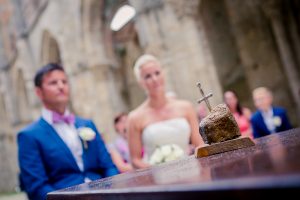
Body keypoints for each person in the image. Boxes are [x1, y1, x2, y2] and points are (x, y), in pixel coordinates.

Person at [17, 63, 118, 200]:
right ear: (39, 92)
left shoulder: (88, 124)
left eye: (64, 81)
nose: (61, 86)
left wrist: (112, 192)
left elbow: (108, 166)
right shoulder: (29, 136)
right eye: (53, 83)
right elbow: (37, 188)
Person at [127, 54, 205, 169]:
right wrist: (156, 171)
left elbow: (199, 144)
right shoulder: (134, 118)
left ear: (163, 74)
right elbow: (135, 160)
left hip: (190, 169)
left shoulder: (186, 107)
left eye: (157, 73)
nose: (154, 79)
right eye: (148, 76)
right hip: (157, 178)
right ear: (141, 82)